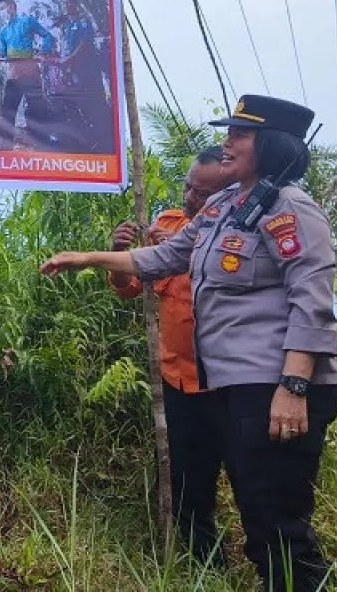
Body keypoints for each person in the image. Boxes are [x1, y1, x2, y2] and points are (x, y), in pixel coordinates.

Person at [42, 95, 337, 591]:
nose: (227, 142)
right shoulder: (226, 205)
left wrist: (294, 385)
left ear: (270, 144)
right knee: (260, 520)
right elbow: (164, 257)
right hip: (235, 387)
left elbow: (312, 300)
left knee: (278, 525)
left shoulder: (292, 210)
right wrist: (88, 258)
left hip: (276, 385)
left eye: (239, 135)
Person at [108, 147, 230, 566]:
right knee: (188, 479)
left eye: (202, 192)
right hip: (179, 381)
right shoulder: (167, 225)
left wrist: (185, 253)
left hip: (232, 384)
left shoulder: (237, 232)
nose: (191, 198)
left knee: (250, 477)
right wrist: (123, 254)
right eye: (188, 187)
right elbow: (127, 288)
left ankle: (271, 558)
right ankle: (205, 563)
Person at [0, 0, 56, 148]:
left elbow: (48, 36)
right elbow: (3, 53)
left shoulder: (27, 22)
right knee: (8, 111)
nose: (2, 12)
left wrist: (44, 52)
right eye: (0, 10)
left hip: (30, 76)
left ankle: (41, 143)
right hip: (13, 77)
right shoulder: (3, 32)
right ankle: (6, 145)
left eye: (4, 8)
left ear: (12, 7)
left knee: (36, 111)